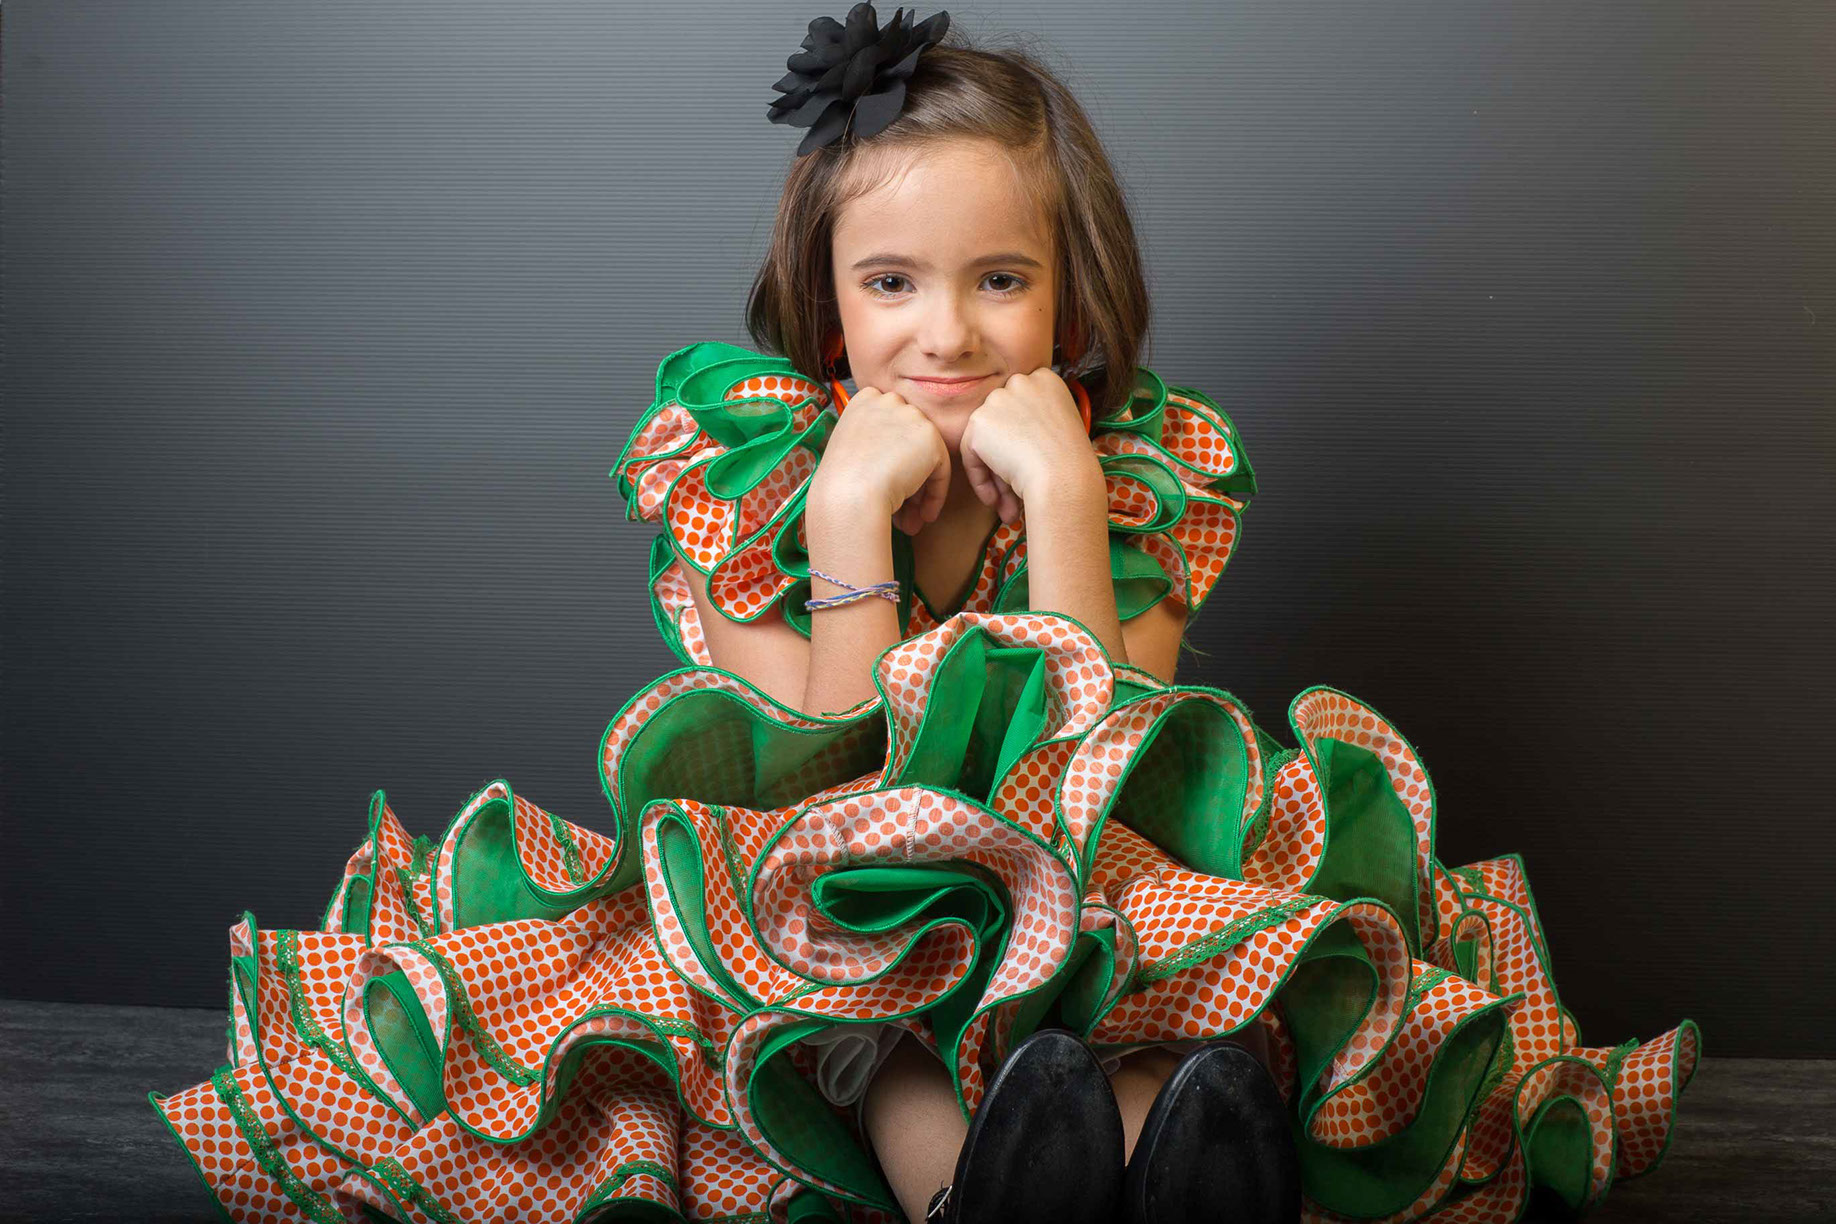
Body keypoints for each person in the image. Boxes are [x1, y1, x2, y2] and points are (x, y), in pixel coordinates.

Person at [147, 6, 1701, 1224]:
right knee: (857, 1012)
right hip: (818, 904)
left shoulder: (1141, 472)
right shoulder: (748, 469)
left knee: (1165, 967)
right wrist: (845, 520)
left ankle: (1176, 1156)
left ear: (1072, 305)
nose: (944, 332)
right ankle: (976, 1191)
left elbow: (1125, 777)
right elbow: (829, 795)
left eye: (1000, 281)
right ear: (825, 300)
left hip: (1075, 874)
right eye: (891, 283)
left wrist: (1069, 506)